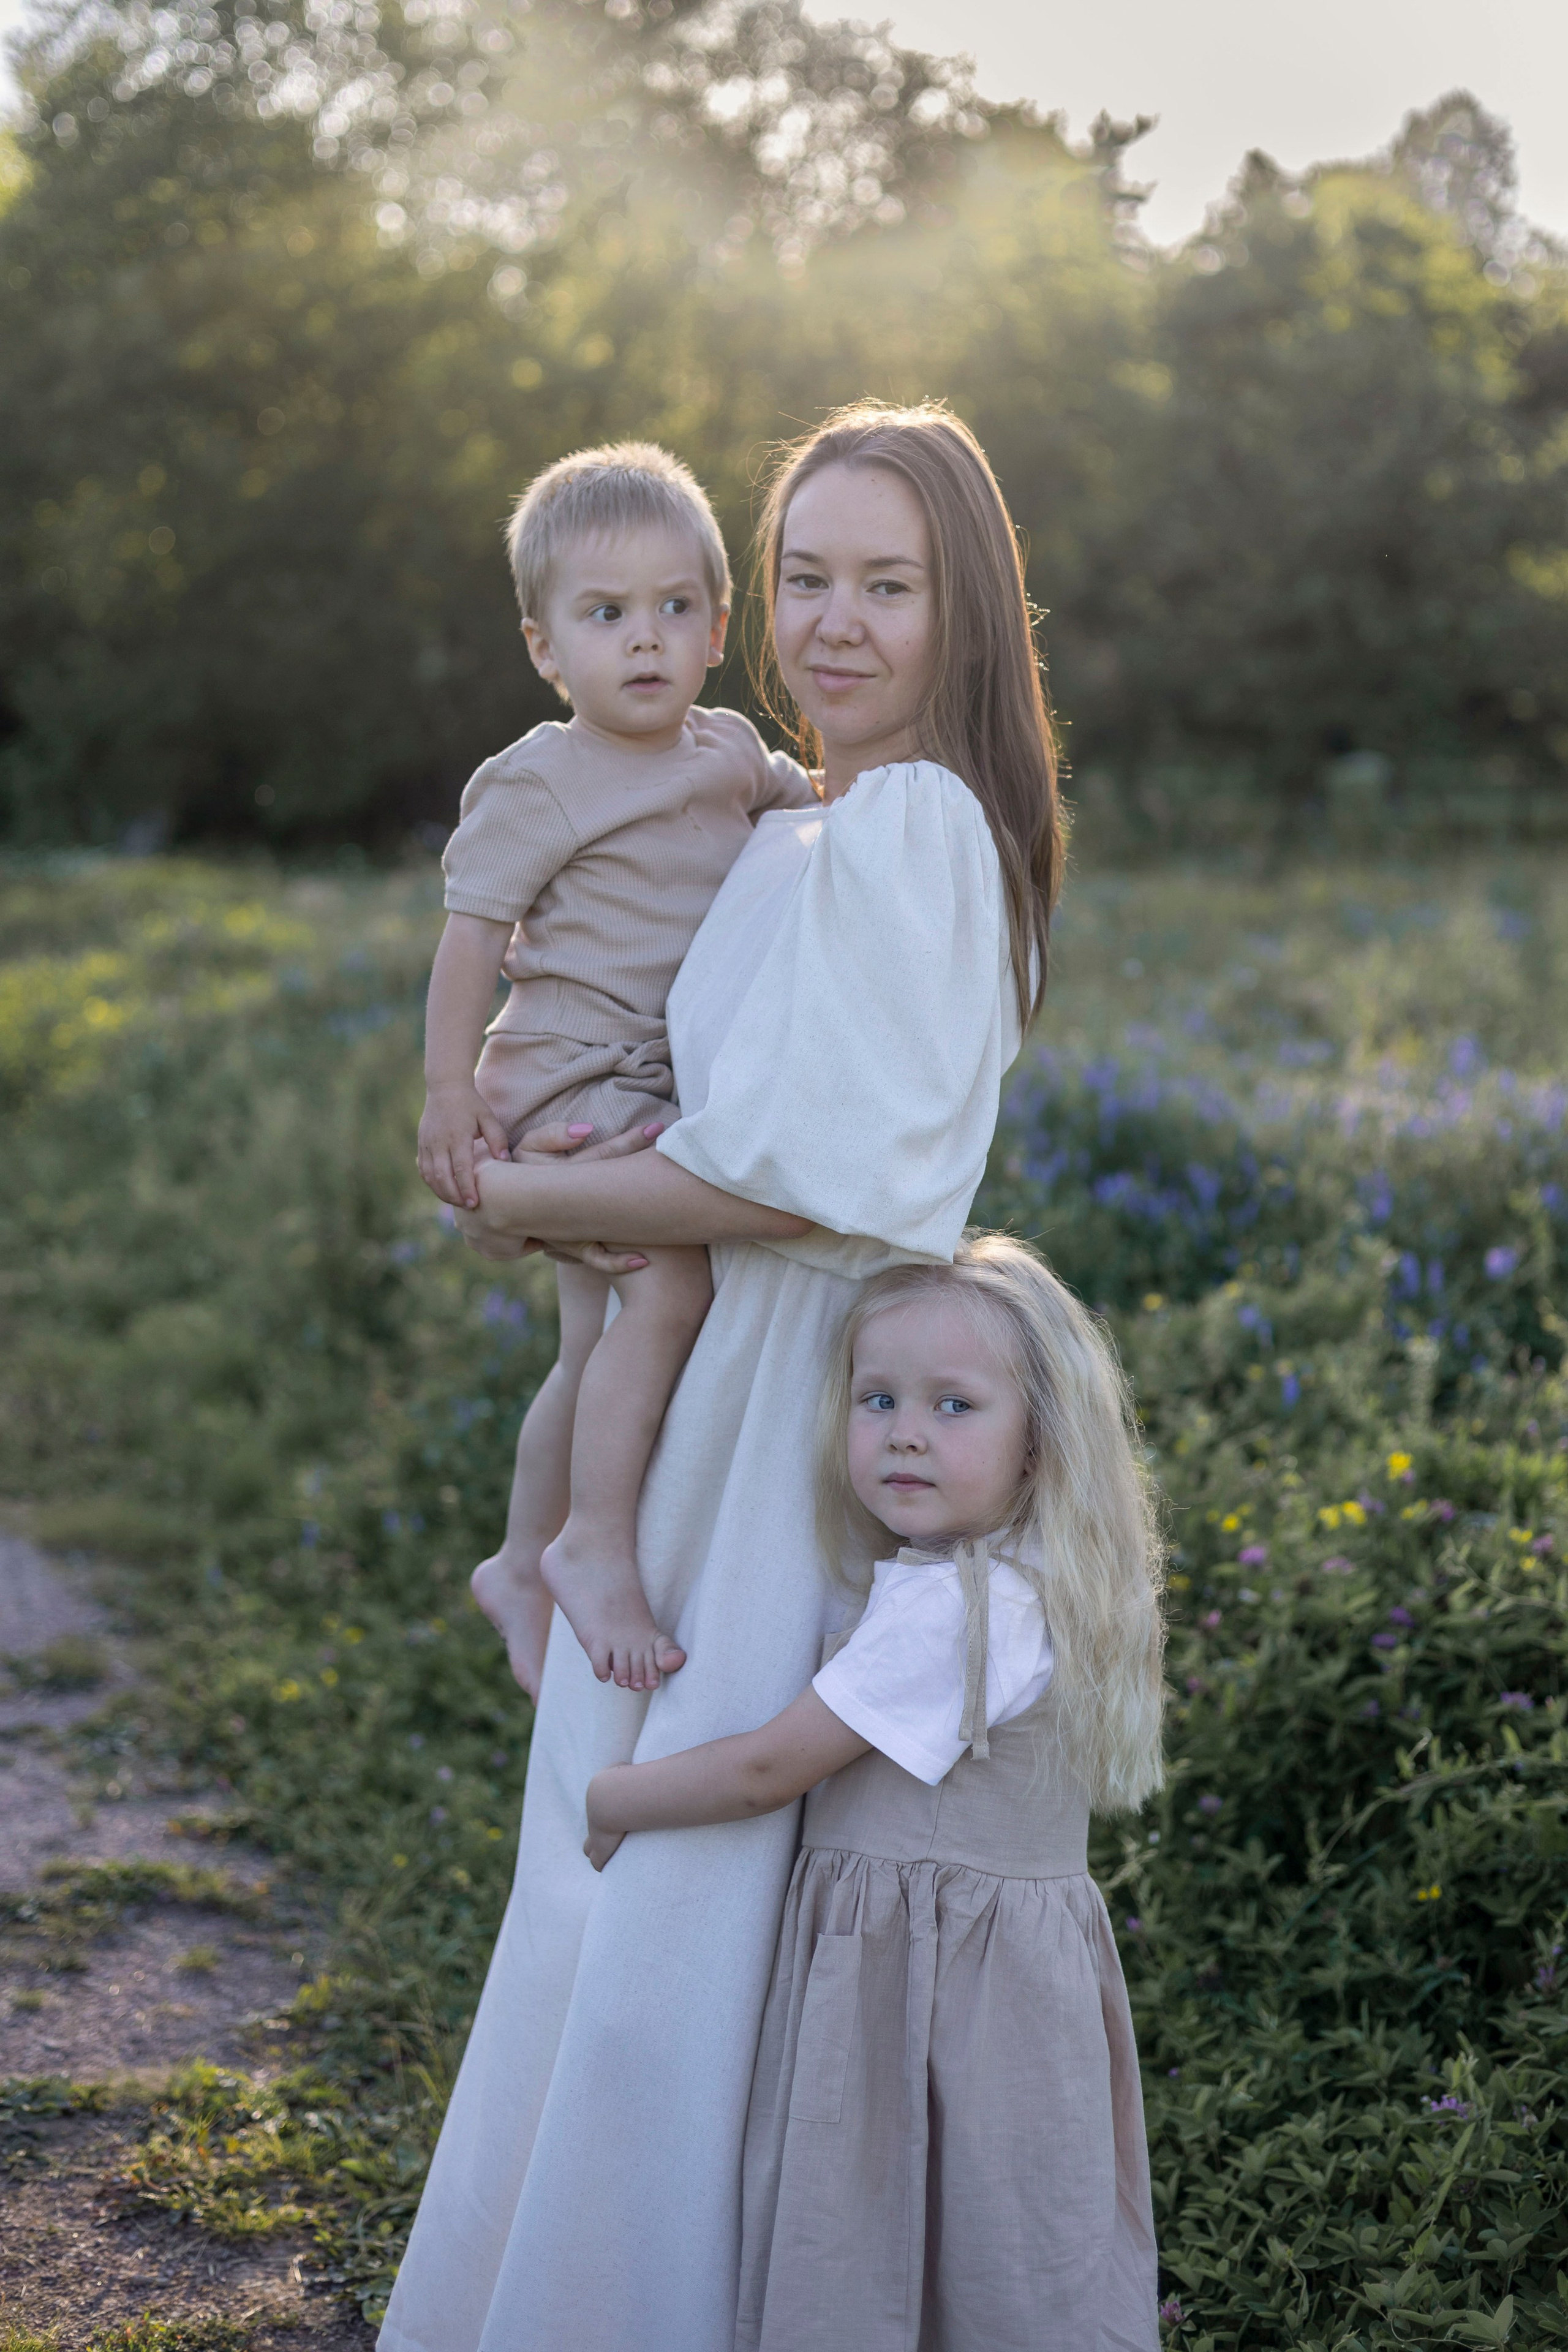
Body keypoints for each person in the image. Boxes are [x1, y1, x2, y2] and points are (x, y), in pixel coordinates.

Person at [379, 399, 1064, 2352]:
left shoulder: (919, 821)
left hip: (780, 1412)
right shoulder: (804, 811)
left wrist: (517, 1189)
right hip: (710, 1388)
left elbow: (816, 1172)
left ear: (969, 609)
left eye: (890, 584)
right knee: (615, 1883)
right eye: (807, 579)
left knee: (670, 1901)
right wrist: (537, 1167)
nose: (834, 625)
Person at [582, 1234, 1165, 2350]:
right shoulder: (1023, 1588)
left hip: (932, 1979)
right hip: (1002, 1983)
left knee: (883, 2219)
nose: (904, 1430)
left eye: (955, 1407)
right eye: (879, 1397)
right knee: (1003, 2234)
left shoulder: (957, 1613)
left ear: (1040, 1446)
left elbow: (767, 1769)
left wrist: (615, 1794)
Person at [417, 442, 813, 1693]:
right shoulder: (539, 780)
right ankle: (594, 1544)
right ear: (544, 649)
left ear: (716, 626)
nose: (642, 640)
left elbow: (819, 820)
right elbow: (470, 938)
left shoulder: (733, 754)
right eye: (604, 616)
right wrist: (444, 1098)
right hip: (563, 1079)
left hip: (652, 1077)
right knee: (673, 1284)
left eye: (671, 609)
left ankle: (520, 1555)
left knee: (588, 1349)